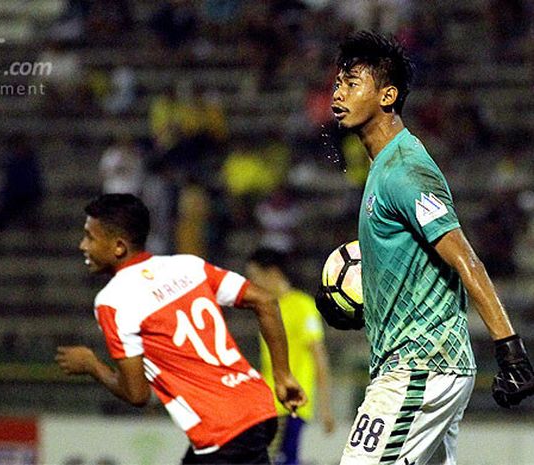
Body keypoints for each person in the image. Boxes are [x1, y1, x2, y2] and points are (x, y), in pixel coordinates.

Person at [317, 30, 534, 464]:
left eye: (353, 83)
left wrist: (510, 349)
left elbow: (465, 258)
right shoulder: (382, 168)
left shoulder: (404, 170)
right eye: (339, 83)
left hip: (420, 367)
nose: (339, 94)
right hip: (420, 364)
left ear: (387, 95)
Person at [55, 193, 306, 464]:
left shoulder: (112, 301)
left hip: (222, 432)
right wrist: (282, 376)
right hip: (258, 406)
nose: (83, 245)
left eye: (90, 237)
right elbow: (265, 301)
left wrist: (93, 365)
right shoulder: (187, 266)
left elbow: (137, 394)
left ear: (118, 246)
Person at [246, 248, 335, 465]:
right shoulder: (266, 308)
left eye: (255, 276)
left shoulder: (302, 306)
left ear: (273, 273)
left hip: (291, 403)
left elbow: (319, 356)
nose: (251, 283)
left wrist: (326, 406)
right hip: (267, 405)